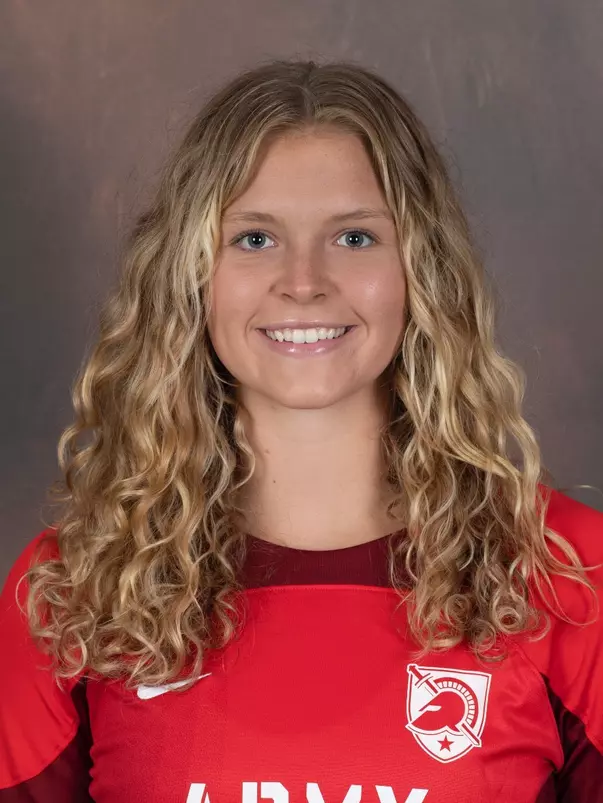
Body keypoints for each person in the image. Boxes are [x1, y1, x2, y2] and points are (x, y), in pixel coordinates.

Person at [0, 59, 602, 803]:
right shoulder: (71, 589)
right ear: (190, 276)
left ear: (422, 271)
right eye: (254, 239)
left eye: (353, 238)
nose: (304, 280)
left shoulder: (569, 575)